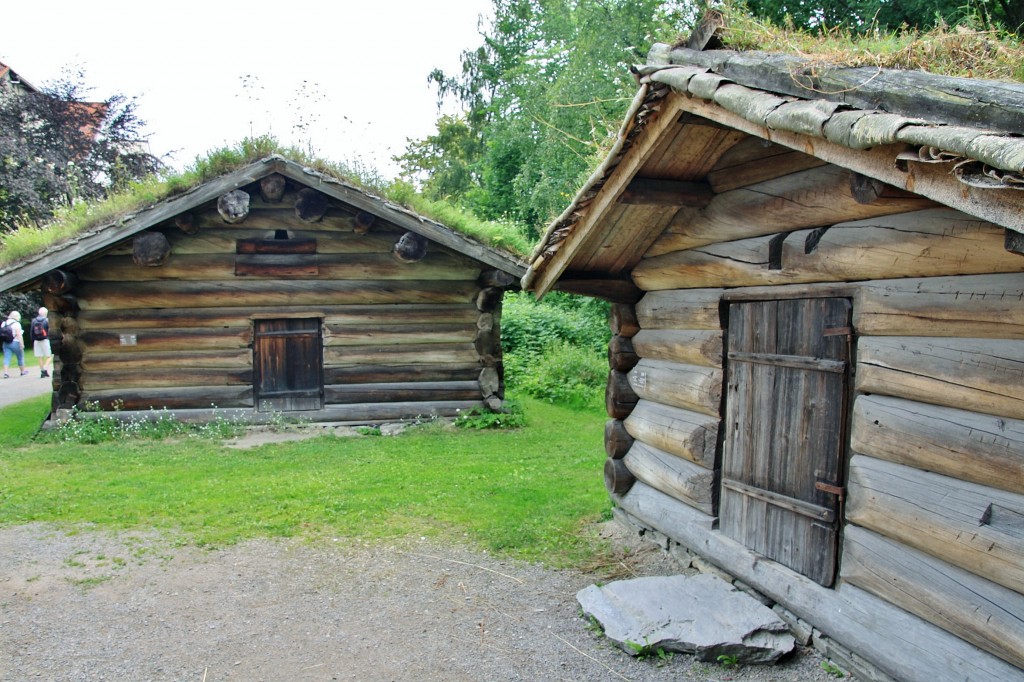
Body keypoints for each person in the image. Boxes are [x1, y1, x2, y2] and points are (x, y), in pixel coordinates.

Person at [2, 310, 27, 378]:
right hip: (16, 342)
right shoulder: (16, 324)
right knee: (20, 357)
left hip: (6, 343)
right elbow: (19, 335)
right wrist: (22, 344)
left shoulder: (4, 323)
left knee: (7, 358)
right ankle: (22, 371)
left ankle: (6, 373)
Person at [31, 307, 53, 378]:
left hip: (36, 341)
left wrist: (33, 339)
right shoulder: (47, 320)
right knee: (50, 355)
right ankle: (45, 369)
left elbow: (31, 332)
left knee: (40, 356)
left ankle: (42, 371)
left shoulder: (34, 321)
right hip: (45, 340)